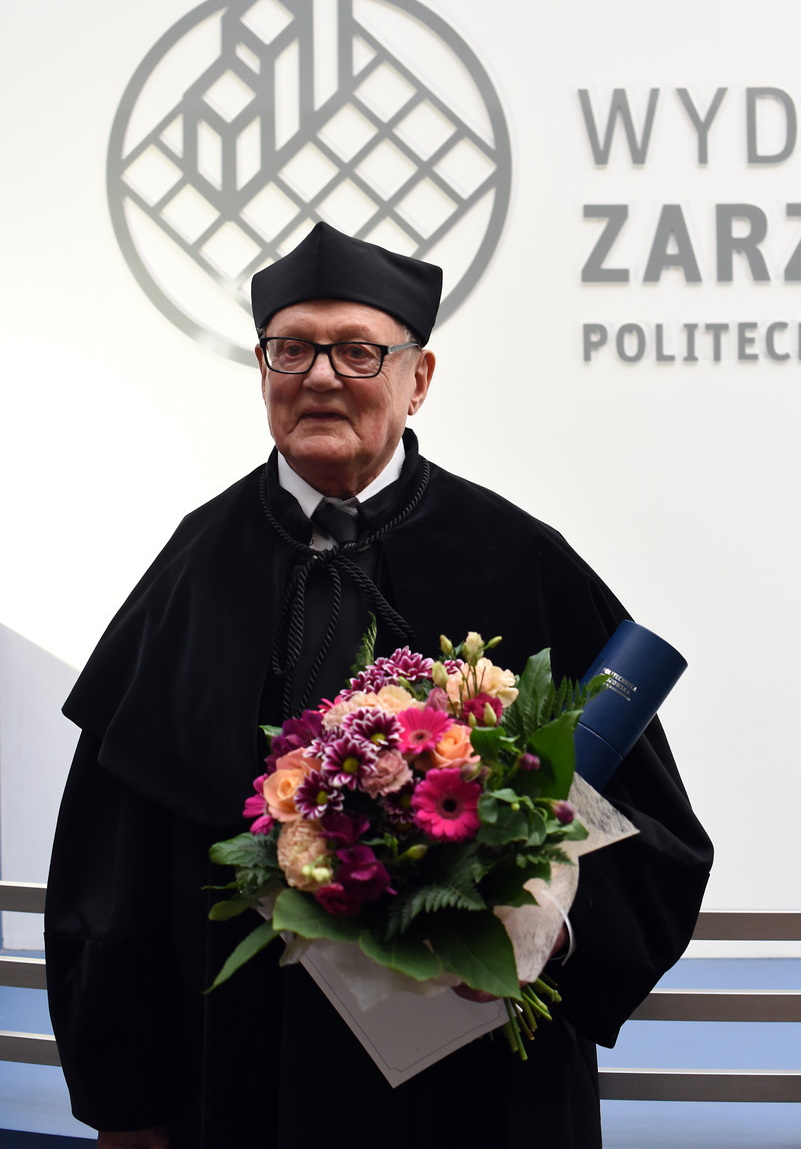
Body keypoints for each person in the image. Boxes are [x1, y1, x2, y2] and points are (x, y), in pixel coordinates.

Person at [45, 223, 712, 1149]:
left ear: (418, 377)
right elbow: (110, 866)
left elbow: (654, 837)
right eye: (292, 349)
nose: (321, 377)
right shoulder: (194, 569)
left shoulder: (520, 560)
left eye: (358, 351)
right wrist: (125, 1104)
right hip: (238, 1067)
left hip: (479, 1087)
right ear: (263, 370)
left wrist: (542, 927)